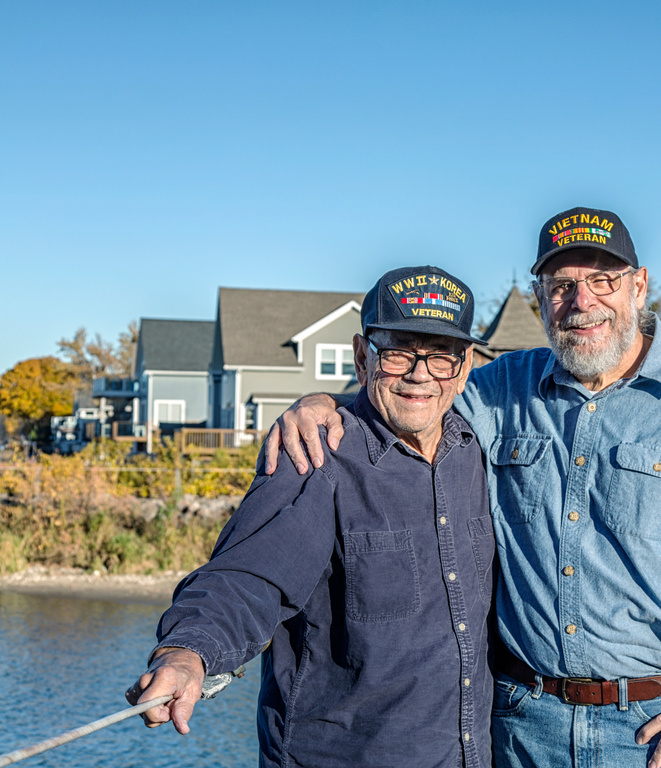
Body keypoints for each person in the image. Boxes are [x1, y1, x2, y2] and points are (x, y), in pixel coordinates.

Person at [267, 207, 661, 768]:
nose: (582, 302)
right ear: (541, 294)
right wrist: (325, 403)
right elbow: (413, 392)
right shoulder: (498, 389)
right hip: (523, 726)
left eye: (603, 280)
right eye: (561, 284)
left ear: (639, 286)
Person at [126, 266, 496, 768]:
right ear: (363, 357)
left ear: (466, 365)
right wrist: (188, 653)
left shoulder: (478, 454)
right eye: (399, 352)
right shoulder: (317, 457)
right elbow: (246, 578)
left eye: (440, 357)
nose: (419, 373)